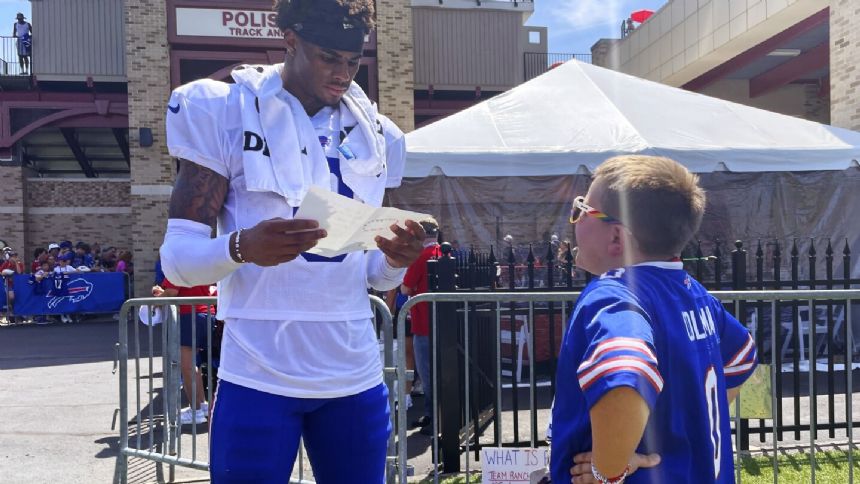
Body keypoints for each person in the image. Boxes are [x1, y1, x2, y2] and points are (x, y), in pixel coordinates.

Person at [159, 0, 424, 482]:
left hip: (353, 374)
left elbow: (368, 274)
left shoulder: (378, 134)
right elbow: (177, 262)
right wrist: (241, 248)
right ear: (291, 40)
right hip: (257, 374)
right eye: (329, 57)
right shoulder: (224, 109)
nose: (344, 74)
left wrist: (395, 263)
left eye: (352, 60)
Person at [550, 155, 758, 484]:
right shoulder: (695, 294)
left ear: (617, 237)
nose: (573, 221)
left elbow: (626, 373)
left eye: (581, 210)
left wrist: (607, 470)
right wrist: (689, 429)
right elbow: (742, 357)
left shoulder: (613, 294)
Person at [152, 278, 214, 424]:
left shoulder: (178, 263)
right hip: (205, 313)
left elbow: (171, 293)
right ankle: (201, 406)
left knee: (186, 366)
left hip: (189, 315)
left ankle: (196, 411)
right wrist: (163, 294)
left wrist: (156, 300)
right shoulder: (198, 261)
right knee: (193, 364)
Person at [400, 218, 441, 436]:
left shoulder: (420, 257)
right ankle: (432, 414)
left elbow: (405, 288)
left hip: (424, 323)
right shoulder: (444, 252)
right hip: (441, 322)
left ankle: (434, 418)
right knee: (439, 373)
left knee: (427, 375)